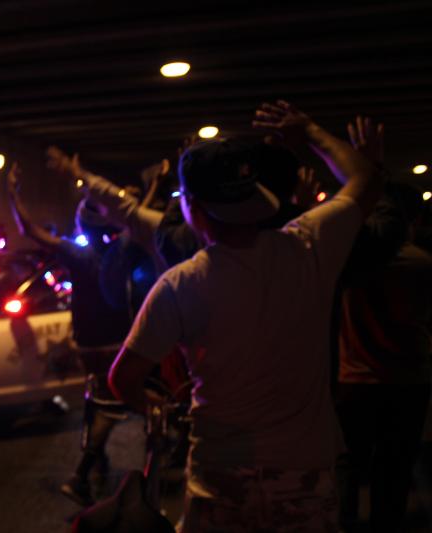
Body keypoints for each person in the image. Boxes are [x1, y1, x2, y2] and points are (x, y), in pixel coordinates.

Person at [109, 101, 383, 531]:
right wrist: (310, 130)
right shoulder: (310, 246)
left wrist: (157, 407)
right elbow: (365, 179)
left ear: (194, 210)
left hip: (220, 476)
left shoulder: (179, 285)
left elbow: (123, 379)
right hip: (305, 471)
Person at [7, 162, 134, 506]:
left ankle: (97, 464)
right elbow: (137, 222)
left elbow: (30, 229)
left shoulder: (75, 253)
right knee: (112, 406)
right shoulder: (121, 248)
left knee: (96, 401)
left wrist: (14, 193)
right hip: (115, 342)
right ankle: (81, 474)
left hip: (86, 342)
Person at [335, 118, 432, 532]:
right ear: (413, 221)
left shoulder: (347, 260)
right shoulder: (424, 265)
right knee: (394, 472)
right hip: (408, 381)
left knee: (348, 470)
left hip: (352, 381)